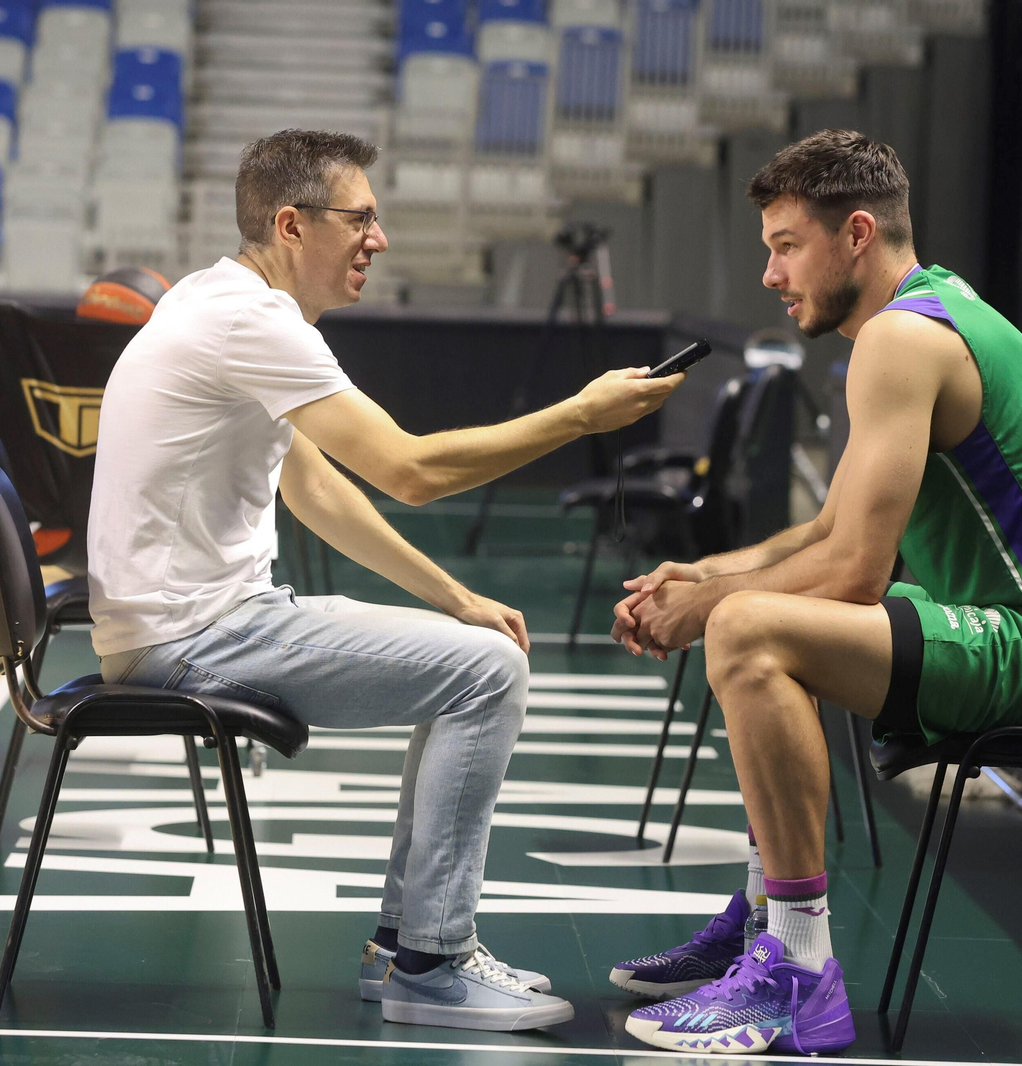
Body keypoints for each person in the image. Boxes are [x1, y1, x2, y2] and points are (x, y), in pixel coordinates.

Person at [86, 129, 683, 1032]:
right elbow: (408, 471)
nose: (380, 237)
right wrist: (579, 416)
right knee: (490, 674)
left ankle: (405, 945)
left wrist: (456, 597)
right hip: (193, 637)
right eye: (359, 218)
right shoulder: (250, 319)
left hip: (191, 623)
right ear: (291, 224)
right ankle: (431, 962)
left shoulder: (220, 302)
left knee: (473, 651)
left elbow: (319, 486)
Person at [607, 129, 1022, 1055]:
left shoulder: (903, 339)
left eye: (786, 246)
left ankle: (799, 971)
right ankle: (764, 922)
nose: (772, 275)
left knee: (749, 634)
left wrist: (711, 611)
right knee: (749, 613)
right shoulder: (923, 316)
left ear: (856, 232)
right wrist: (706, 573)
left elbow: (858, 574)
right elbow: (828, 530)